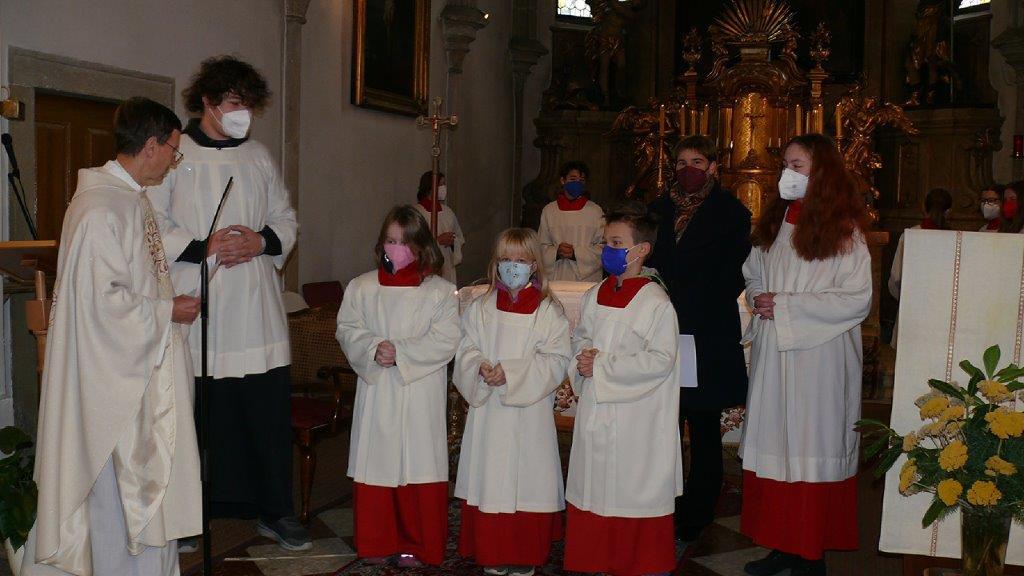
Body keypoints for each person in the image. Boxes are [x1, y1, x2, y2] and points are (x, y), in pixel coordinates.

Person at [21, 97, 201, 576]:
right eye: (173, 150)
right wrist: (168, 310)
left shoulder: (129, 200)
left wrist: (167, 304)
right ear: (151, 146)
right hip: (113, 386)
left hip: (139, 368)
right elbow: (101, 306)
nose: (173, 161)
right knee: (118, 500)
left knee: (143, 493)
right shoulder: (100, 209)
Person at [147, 55, 305, 550]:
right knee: (198, 417)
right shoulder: (176, 153)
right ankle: (190, 518)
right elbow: (153, 220)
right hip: (202, 303)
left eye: (248, 104)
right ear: (209, 102)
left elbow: (285, 217)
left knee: (263, 414)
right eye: (235, 103)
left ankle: (274, 510)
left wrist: (261, 241)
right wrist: (205, 246)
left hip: (256, 310)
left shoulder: (258, 156)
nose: (244, 114)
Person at [740, 134, 872, 576]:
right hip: (774, 353)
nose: (787, 173)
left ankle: (811, 553)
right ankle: (782, 545)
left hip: (820, 357)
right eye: (785, 165)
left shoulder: (845, 230)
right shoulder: (775, 222)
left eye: (797, 166)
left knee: (810, 445)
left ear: (823, 172)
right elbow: (754, 271)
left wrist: (787, 306)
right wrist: (759, 297)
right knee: (776, 443)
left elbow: (856, 298)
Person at [336, 206, 460, 567]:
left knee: (417, 463)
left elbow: (447, 338)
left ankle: (418, 544)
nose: (396, 248)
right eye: (390, 240)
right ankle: (376, 542)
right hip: (377, 388)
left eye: (404, 242)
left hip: (419, 387)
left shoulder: (440, 292)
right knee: (377, 460)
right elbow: (348, 328)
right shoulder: (362, 287)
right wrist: (374, 348)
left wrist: (402, 352)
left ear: (421, 246)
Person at [563, 203, 683, 576]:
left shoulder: (655, 302)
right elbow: (580, 339)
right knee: (594, 486)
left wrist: (602, 366)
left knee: (632, 489)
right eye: (605, 243)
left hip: (637, 417)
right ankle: (595, 560)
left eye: (616, 243)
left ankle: (640, 565)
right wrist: (582, 360)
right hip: (597, 410)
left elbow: (661, 360)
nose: (607, 250)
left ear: (641, 249)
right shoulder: (595, 294)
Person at [647, 134, 751, 542]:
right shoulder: (657, 209)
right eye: (680, 162)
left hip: (706, 332)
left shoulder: (732, 213)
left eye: (696, 161)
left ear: (712, 167)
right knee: (663, 421)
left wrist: (687, 300)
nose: (687, 169)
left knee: (704, 424)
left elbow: (733, 274)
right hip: (660, 327)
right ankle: (662, 501)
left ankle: (698, 508)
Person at [454, 228, 570, 576]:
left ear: (534, 265)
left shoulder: (548, 311)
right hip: (489, 410)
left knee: (527, 480)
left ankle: (524, 554)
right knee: (490, 479)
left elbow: (556, 360)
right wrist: (478, 366)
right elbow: (465, 347)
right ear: (496, 264)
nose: (512, 267)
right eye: (505, 259)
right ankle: (492, 551)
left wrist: (513, 373)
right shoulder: (481, 307)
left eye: (520, 260)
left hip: (528, 413)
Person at [537, 161, 605, 282]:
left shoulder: (595, 211)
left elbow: (603, 247)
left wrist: (576, 254)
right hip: (556, 277)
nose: (577, 183)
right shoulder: (549, 211)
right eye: (573, 179)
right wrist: (556, 253)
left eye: (581, 180)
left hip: (587, 280)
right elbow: (541, 246)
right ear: (563, 180)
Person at [888, 187, 953, 302]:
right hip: (944, 302)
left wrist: (905, 299)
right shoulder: (954, 239)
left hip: (913, 302)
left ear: (924, 208)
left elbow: (896, 277)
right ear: (948, 212)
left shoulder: (909, 236)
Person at [413, 170, 465, 285]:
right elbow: (413, 244)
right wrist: (437, 241)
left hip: (446, 266)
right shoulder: (416, 212)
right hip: (426, 269)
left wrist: (453, 242)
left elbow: (459, 237)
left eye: (444, 184)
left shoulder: (448, 211)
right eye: (441, 184)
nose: (444, 188)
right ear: (430, 187)